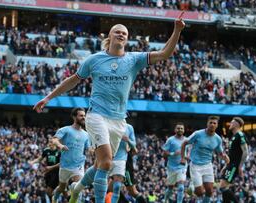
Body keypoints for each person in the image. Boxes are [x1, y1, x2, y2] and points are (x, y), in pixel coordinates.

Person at [34, 11, 186, 203]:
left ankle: (77, 188)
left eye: (124, 33)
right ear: (110, 36)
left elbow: (165, 53)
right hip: (96, 116)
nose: (121, 34)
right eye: (117, 32)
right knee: (106, 162)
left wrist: (177, 30)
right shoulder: (94, 60)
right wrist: (48, 98)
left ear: (127, 39)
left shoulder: (134, 59)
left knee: (100, 166)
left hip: (118, 120)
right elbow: (73, 80)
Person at [180, 116, 230, 203]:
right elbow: (184, 143)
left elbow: (220, 152)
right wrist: (183, 158)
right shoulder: (198, 134)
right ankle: (192, 185)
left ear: (217, 125)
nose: (212, 124)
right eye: (210, 122)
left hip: (207, 166)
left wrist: (225, 157)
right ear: (207, 124)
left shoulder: (218, 139)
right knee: (200, 193)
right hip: (195, 166)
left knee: (210, 192)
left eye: (214, 123)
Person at [51, 108, 91, 203]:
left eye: (84, 116)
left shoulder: (86, 134)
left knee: (78, 186)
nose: (83, 118)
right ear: (74, 117)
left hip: (78, 165)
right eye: (81, 115)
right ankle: (54, 198)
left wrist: (92, 150)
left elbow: (88, 148)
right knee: (61, 188)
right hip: (65, 165)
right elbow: (54, 140)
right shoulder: (65, 130)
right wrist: (60, 145)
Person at [220, 117, 249, 203]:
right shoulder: (233, 136)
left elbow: (245, 151)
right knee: (224, 188)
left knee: (223, 186)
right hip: (230, 164)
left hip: (234, 165)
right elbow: (231, 155)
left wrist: (240, 166)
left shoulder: (240, 135)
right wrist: (225, 166)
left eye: (232, 123)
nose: (230, 124)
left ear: (236, 124)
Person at [162, 123, 187, 203]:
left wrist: (186, 157)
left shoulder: (187, 140)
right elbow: (164, 154)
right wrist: (173, 153)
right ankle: (165, 200)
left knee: (181, 187)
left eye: (181, 128)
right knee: (170, 188)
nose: (180, 130)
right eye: (178, 128)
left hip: (182, 166)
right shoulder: (170, 140)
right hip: (171, 167)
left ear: (184, 130)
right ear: (175, 130)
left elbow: (189, 152)